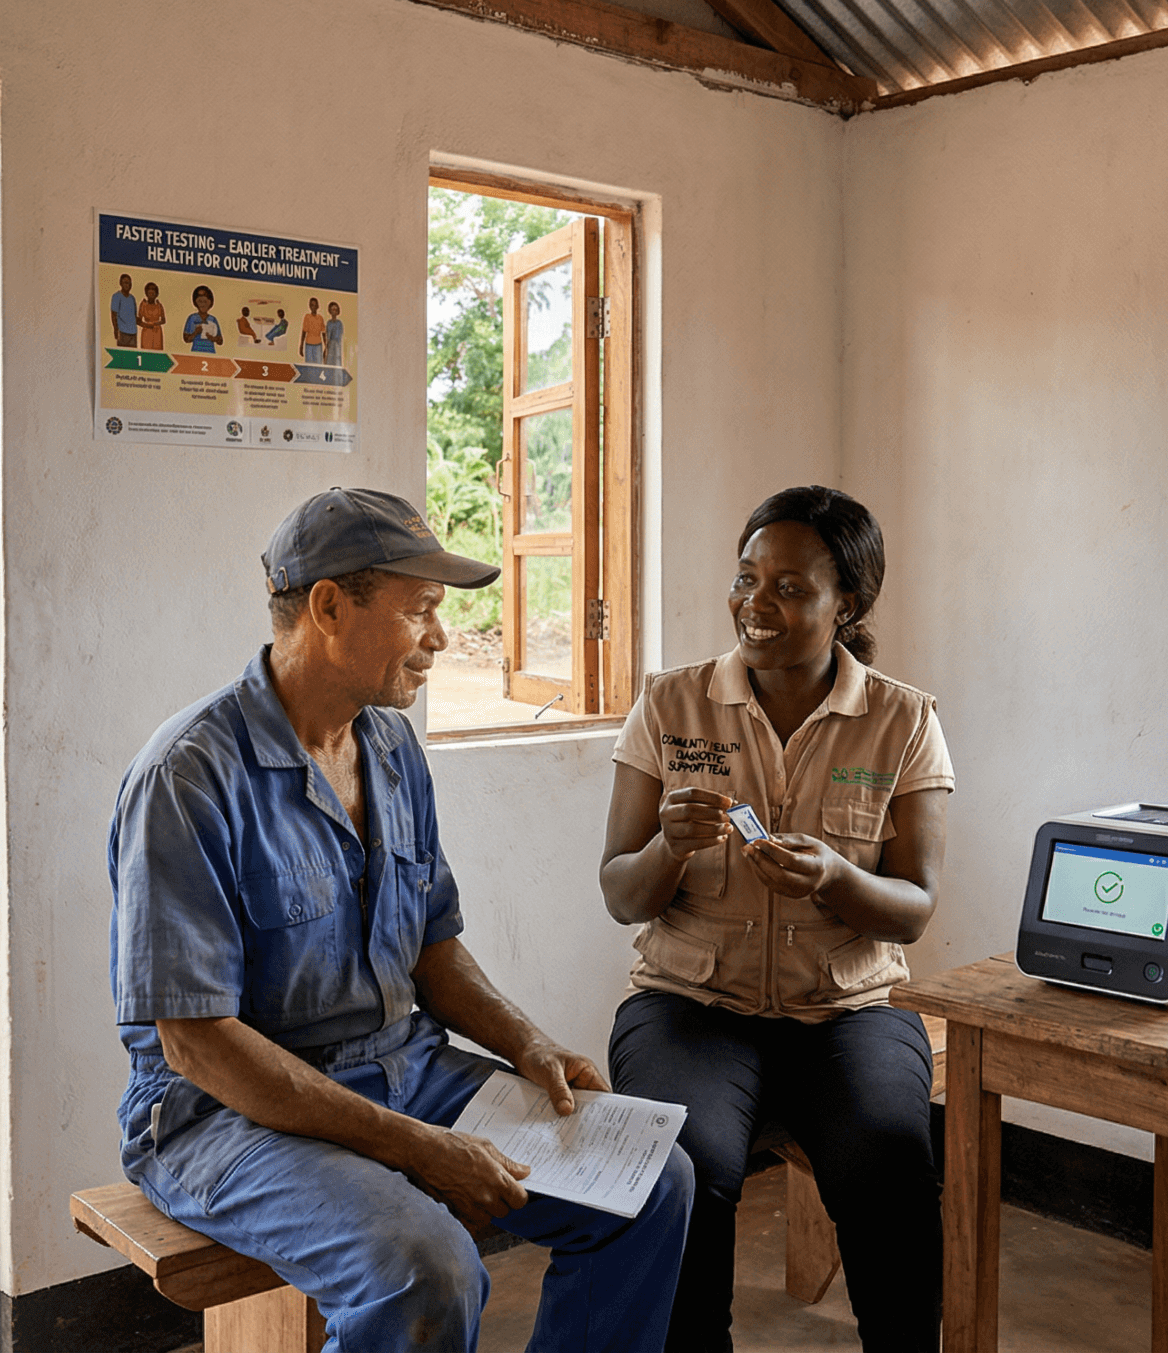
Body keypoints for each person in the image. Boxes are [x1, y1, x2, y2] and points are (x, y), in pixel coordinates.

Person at [108, 486, 693, 1353]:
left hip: (399, 1068)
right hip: (221, 1117)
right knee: (429, 1268)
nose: (441, 639)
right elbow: (198, 1044)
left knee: (654, 1184)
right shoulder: (189, 777)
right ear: (329, 606)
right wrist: (416, 1147)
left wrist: (525, 1043)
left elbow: (432, 948)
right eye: (421, 611)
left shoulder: (387, 744)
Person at [601, 485, 951, 1353]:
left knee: (888, 1158)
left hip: (849, 1012)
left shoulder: (903, 721)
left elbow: (912, 910)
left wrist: (836, 877)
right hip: (691, 1007)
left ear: (849, 604)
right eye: (746, 578)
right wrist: (667, 850)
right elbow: (619, 893)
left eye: (791, 587)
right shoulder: (671, 704)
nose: (756, 605)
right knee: (684, 1168)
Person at [183, 285, 223, 354]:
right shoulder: (192, 318)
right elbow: (186, 339)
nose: (203, 304)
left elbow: (220, 341)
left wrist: (213, 338)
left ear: (210, 303)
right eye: (200, 301)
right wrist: (195, 332)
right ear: (195, 302)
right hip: (196, 351)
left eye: (205, 302)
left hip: (210, 352)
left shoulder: (213, 319)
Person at [110, 273, 140, 348]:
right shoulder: (116, 296)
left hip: (133, 333)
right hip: (122, 332)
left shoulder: (132, 298)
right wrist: (116, 330)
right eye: (126, 283)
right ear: (120, 283)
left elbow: (134, 316)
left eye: (130, 283)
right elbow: (114, 314)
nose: (128, 285)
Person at [137, 282, 166, 350]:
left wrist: (156, 323)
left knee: (157, 352)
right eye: (149, 290)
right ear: (146, 293)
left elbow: (163, 320)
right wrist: (146, 325)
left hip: (157, 331)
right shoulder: (143, 305)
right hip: (147, 331)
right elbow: (138, 321)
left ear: (156, 294)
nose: (151, 292)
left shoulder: (159, 305)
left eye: (153, 290)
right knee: (146, 350)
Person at [300, 294, 327, 364]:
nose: (313, 307)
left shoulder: (320, 318)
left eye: (315, 305)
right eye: (312, 305)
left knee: (318, 364)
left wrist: (327, 347)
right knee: (309, 365)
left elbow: (324, 333)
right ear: (309, 306)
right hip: (308, 345)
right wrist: (301, 346)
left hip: (318, 345)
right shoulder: (307, 317)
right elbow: (304, 332)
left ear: (318, 306)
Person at [324, 300, 344, 366]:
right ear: (330, 310)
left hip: (337, 344)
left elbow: (339, 336)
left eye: (335, 309)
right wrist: (326, 348)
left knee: (337, 362)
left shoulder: (339, 323)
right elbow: (328, 336)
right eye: (332, 309)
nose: (334, 311)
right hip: (330, 345)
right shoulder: (328, 323)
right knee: (329, 362)